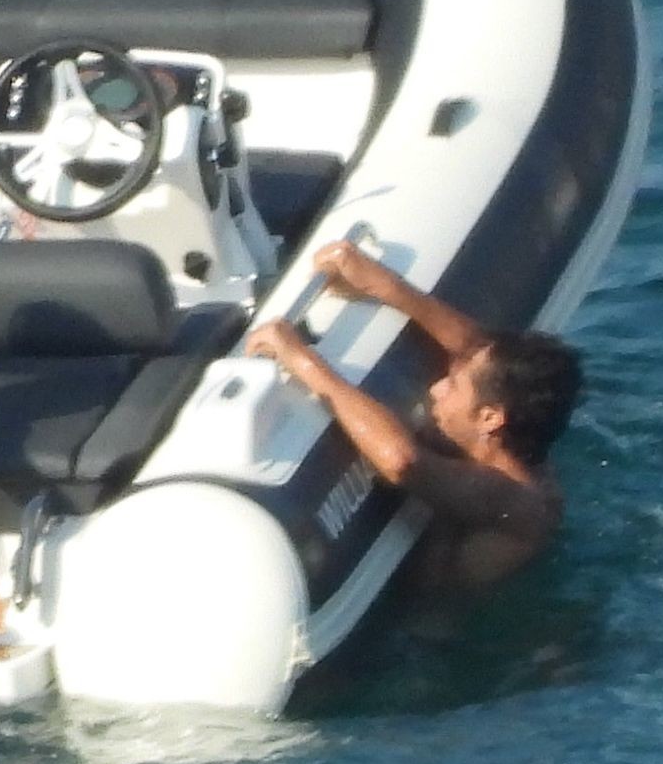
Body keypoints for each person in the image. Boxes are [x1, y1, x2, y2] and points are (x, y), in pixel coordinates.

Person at [247, 240, 582, 640]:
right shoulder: (512, 441)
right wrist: (382, 284)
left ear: (490, 418)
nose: (437, 388)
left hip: (430, 639)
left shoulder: (511, 496)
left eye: (453, 385)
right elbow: (475, 346)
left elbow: (402, 461)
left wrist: (300, 359)